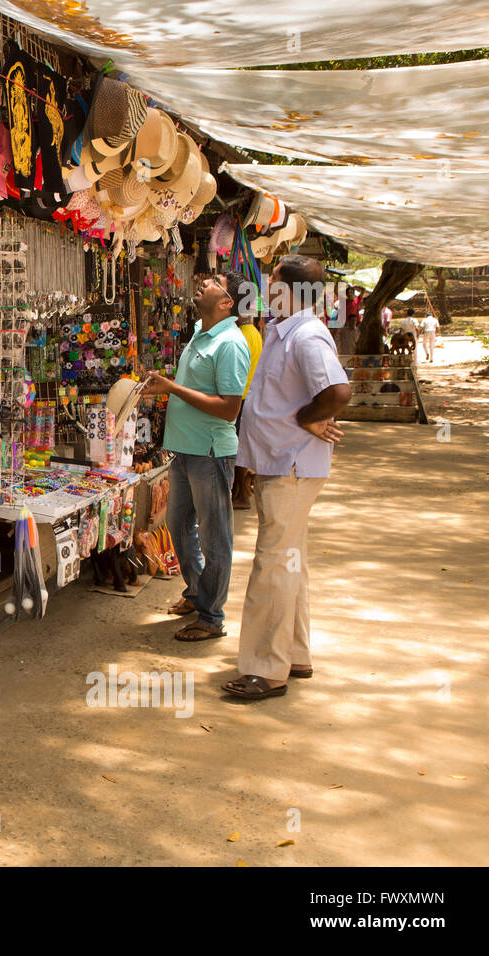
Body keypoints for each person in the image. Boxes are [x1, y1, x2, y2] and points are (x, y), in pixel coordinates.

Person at [226, 255, 351, 700]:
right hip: (283, 465)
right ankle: (295, 654)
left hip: (292, 466)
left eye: (272, 280)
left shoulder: (307, 334)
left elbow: (337, 390)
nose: (264, 286)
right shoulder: (282, 330)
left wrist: (306, 417)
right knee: (290, 561)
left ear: (289, 290)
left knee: (273, 565)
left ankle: (265, 668)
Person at [142, 271, 252, 642]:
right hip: (185, 450)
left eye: (215, 281)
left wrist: (172, 387)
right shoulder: (199, 333)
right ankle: (196, 592)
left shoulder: (231, 343)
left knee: (214, 538)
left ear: (226, 302)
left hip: (210, 453)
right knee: (178, 527)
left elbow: (229, 409)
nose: (204, 281)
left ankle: (211, 617)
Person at [232, 304, 264, 510]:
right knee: (241, 445)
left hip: (241, 396)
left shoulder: (242, 335)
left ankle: (241, 493)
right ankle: (241, 489)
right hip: (249, 395)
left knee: (238, 447)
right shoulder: (254, 333)